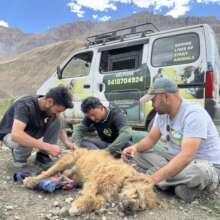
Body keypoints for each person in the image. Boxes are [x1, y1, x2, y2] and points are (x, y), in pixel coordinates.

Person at [122, 78, 220, 202]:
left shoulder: (194, 114)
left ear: (166, 97)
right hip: (175, 158)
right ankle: (176, 182)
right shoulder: (161, 114)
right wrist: (134, 148)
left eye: (153, 100)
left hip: (205, 164)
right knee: (139, 153)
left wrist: (152, 179)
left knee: (199, 172)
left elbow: (187, 156)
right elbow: (151, 139)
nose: (151, 104)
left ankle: (162, 178)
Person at [0, 86, 76, 168]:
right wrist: (48, 147)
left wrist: (67, 143)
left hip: (31, 130)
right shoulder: (25, 105)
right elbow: (16, 135)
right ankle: (20, 160)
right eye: (58, 111)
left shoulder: (47, 103)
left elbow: (59, 126)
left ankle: (43, 156)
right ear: (50, 102)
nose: (58, 113)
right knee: (23, 138)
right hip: (11, 134)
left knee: (59, 118)